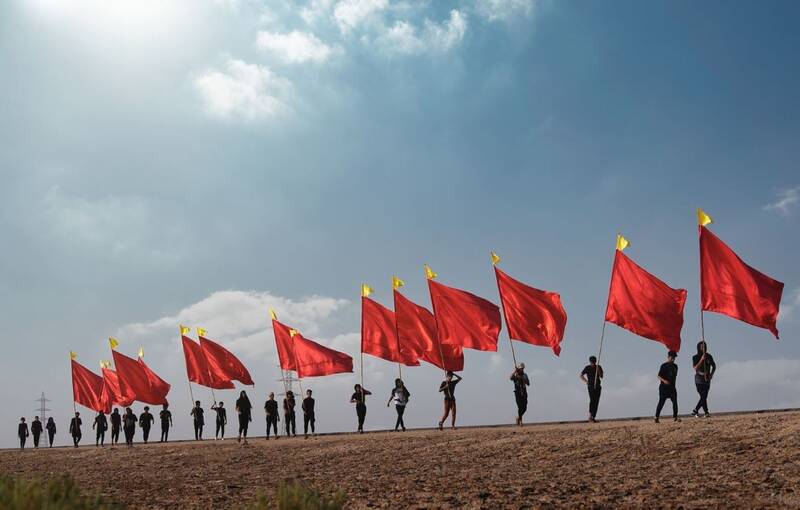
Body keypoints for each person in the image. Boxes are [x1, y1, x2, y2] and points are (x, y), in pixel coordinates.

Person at [691, 341, 716, 418]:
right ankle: (706, 412)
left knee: (704, 397)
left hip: (707, 378)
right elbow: (695, 368)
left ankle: (695, 410)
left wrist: (711, 374)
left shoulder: (709, 356)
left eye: (704, 346)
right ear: (699, 348)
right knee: (703, 395)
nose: (703, 348)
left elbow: (714, 366)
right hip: (699, 379)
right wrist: (701, 360)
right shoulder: (695, 357)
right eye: (702, 347)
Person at [655, 351, 681, 423]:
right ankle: (656, 417)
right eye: (672, 357)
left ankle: (675, 417)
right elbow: (659, 376)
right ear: (668, 357)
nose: (673, 359)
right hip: (664, 388)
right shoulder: (664, 365)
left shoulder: (675, 366)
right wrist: (664, 381)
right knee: (661, 402)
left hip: (672, 388)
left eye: (674, 357)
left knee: (675, 401)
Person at [580, 356, 604, 422]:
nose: (593, 363)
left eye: (594, 362)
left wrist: (598, 370)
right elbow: (581, 375)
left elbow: (601, 376)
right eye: (592, 362)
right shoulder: (587, 367)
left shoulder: (598, 367)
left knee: (596, 401)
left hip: (598, 386)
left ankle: (593, 417)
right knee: (592, 400)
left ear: (596, 361)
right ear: (590, 362)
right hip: (591, 386)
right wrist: (586, 381)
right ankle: (590, 416)